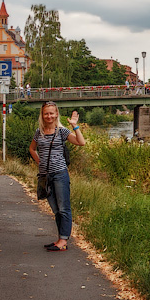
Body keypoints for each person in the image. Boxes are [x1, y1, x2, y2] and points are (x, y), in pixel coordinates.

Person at [29, 101, 86, 252]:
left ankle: (63, 240)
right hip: (45, 176)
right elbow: (32, 149)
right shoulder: (39, 132)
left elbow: (81, 142)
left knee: (63, 208)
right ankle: (60, 238)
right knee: (55, 209)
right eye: (46, 113)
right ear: (42, 115)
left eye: (51, 113)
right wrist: (40, 162)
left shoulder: (62, 131)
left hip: (60, 174)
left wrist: (75, 126)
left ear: (56, 114)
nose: (49, 116)